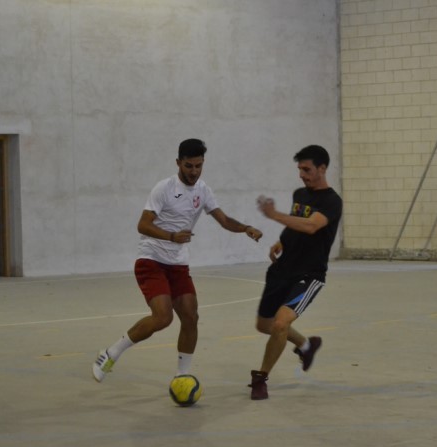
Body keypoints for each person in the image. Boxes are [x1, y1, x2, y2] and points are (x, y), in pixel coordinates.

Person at [92, 138, 263, 383]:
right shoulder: (164, 188)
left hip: (178, 264)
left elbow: (224, 220)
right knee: (163, 318)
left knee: (191, 317)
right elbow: (143, 225)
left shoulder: (203, 190)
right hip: (151, 260)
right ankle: (110, 353)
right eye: (188, 166)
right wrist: (172, 236)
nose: (194, 171)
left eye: (198, 166)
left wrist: (246, 228)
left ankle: (182, 375)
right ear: (178, 163)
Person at [249, 145, 343, 400]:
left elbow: (311, 226)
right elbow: (296, 223)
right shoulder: (300, 193)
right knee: (264, 325)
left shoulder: (332, 201)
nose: (302, 174)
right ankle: (306, 345)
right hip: (282, 269)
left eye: (307, 169)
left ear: (322, 168)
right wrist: (282, 241)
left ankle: (260, 378)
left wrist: (274, 215)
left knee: (280, 324)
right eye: (300, 169)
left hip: (308, 275)